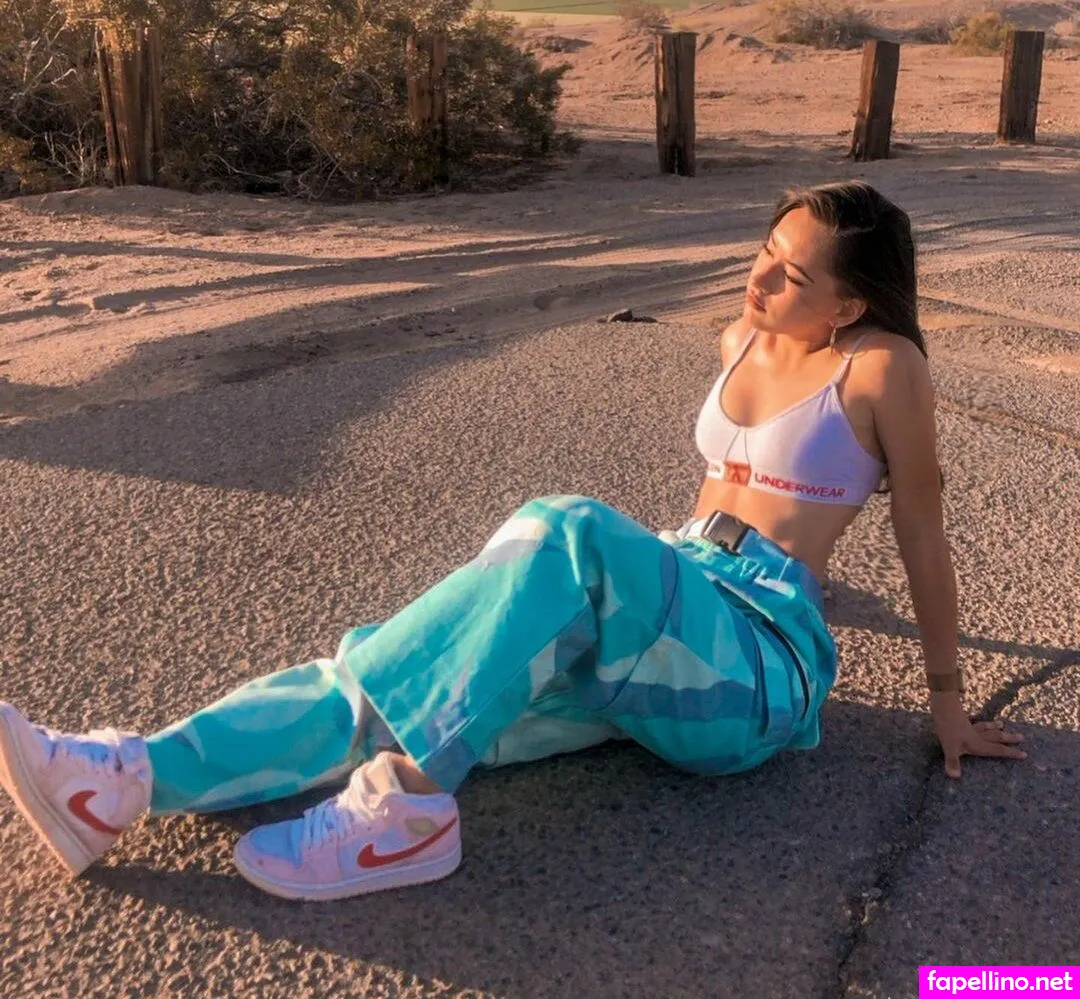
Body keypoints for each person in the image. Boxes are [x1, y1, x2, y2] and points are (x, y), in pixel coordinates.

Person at [0, 181, 1027, 903]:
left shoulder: (883, 367)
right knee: (405, 672)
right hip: (675, 616)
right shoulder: (740, 339)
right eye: (766, 250)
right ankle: (122, 781)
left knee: (566, 528)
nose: (759, 280)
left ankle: (408, 813)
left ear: (851, 302)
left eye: (792, 275)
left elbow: (921, 530)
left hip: (758, 664)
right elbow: (715, 501)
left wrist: (947, 701)